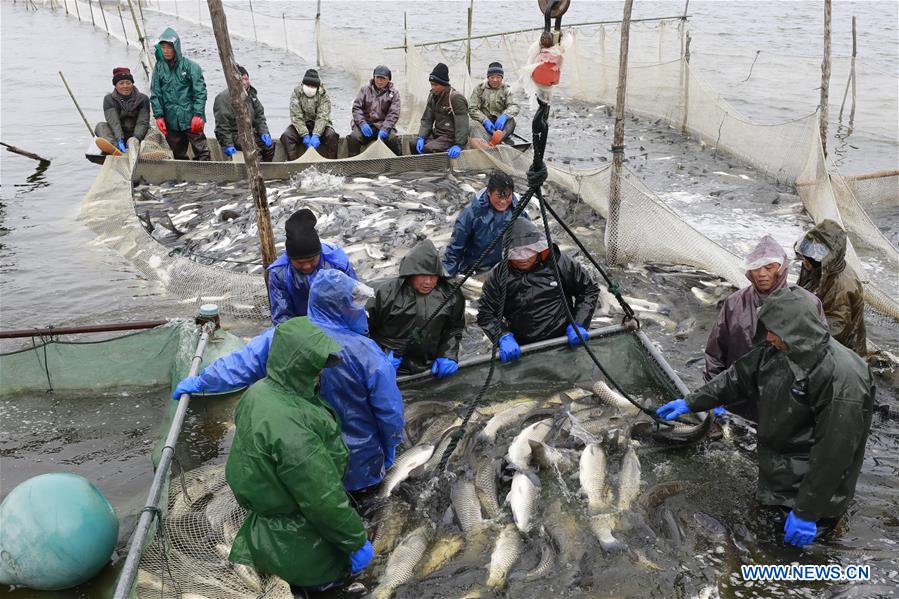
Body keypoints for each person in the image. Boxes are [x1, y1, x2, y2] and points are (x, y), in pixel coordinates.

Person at [656, 287, 874, 548]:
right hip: (779, 473)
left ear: (797, 329)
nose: (769, 337)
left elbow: (834, 455)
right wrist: (691, 402)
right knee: (761, 543)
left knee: (795, 565)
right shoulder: (777, 350)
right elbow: (736, 378)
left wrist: (808, 513)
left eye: (776, 331)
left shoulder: (843, 377)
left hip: (814, 490)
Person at [174, 271, 405, 494]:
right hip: (360, 465)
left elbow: (240, 365)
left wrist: (201, 382)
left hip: (302, 462)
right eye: (352, 304)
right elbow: (389, 410)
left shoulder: (286, 335)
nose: (359, 310)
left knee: (313, 500)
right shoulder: (368, 353)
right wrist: (391, 445)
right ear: (341, 306)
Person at [224, 317, 374, 591]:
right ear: (298, 364)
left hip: (265, 531)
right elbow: (321, 499)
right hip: (306, 550)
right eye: (315, 364)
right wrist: (355, 541)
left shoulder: (258, 392)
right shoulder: (293, 428)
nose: (320, 371)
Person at [703, 235, 827, 421]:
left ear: (782, 268)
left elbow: (822, 356)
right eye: (756, 268)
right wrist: (715, 396)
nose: (761, 274)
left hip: (787, 406)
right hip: (739, 402)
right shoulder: (734, 303)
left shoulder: (808, 304)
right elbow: (715, 354)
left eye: (769, 267)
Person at [477, 218, 599, 362]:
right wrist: (503, 336)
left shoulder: (559, 262)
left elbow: (588, 289)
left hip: (565, 341)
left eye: (528, 251)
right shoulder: (498, 275)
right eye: (515, 252)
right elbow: (486, 313)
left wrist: (579, 323)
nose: (522, 258)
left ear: (538, 248)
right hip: (522, 349)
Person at [368, 239, 465, 377]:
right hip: (388, 365)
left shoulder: (450, 293)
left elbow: (455, 328)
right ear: (411, 273)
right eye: (423, 275)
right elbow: (360, 331)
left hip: (429, 365)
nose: (428, 282)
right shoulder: (383, 293)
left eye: (433, 276)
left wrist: (448, 354)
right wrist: (379, 355)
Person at [267, 208, 357, 324]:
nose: (307, 266)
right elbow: (282, 316)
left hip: (337, 322)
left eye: (311, 260)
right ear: (290, 259)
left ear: (319, 253)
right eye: (300, 263)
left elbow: (355, 300)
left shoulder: (337, 263)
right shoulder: (278, 273)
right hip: (301, 326)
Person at [795, 219, 867, 356]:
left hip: (844, 352)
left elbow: (835, 329)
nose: (804, 260)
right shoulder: (816, 267)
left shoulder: (841, 286)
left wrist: (798, 338)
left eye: (809, 255)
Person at [442, 171, 528, 276]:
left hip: (506, 268)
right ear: (488, 192)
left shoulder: (518, 210)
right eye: (499, 196)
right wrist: (446, 276)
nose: (503, 201)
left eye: (507, 196)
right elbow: (455, 248)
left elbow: (529, 240)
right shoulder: (471, 213)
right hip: (476, 269)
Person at [150, 27, 210, 161]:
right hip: (171, 119)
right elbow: (155, 93)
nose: (166, 51)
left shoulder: (191, 67)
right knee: (178, 154)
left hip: (191, 117)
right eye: (163, 47)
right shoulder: (159, 68)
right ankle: (184, 179)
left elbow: (200, 92)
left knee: (202, 152)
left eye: (169, 47)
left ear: (176, 47)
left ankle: (206, 176)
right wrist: (159, 116)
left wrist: (198, 115)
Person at [213, 65, 275, 162]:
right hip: (235, 134)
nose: (246, 83)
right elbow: (222, 126)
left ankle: (266, 170)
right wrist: (228, 144)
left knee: (269, 147)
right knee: (254, 152)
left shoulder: (251, 94)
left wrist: (264, 132)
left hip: (250, 131)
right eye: (242, 79)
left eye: (247, 79)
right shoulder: (222, 99)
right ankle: (255, 174)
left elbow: (260, 117)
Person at [280, 68, 339, 160]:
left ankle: (332, 162)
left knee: (331, 135)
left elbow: (322, 117)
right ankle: (293, 164)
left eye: (313, 86)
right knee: (286, 136)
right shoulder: (296, 93)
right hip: (301, 126)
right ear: (303, 84)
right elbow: (296, 116)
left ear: (317, 86)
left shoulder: (323, 96)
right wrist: (304, 134)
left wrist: (316, 134)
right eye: (308, 85)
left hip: (320, 127)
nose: (310, 88)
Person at [415, 62, 469, 158]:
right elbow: (427, 119)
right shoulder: (432, 95)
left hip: (450, 137)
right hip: (438, 133)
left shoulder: (456, 98)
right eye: (431, 84)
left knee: (428, 149)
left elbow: (462, 124)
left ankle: (434, 168)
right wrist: (421, 136)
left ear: (444, 84)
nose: (433, 88)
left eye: (435, 85)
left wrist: (459, 145)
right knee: (412, 143)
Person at [347, 65, 402, 156]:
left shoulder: (394, 93)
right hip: (366, 125)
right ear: (373, 77)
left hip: (383, 127)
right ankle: (353, 164)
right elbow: (357, 108)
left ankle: (397, 162)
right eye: (377, 77)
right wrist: (362, 124)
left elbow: (393, 114)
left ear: (388, 80)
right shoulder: (364, 90)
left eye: (383, 78)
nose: (379, 81)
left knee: (394, 139)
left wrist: (385, 128)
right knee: (353, 138)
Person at [95, 67, 150, 154]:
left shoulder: (143, 98)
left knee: (153, 132)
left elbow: (142, 122)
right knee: (100, 126)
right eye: (121, 83)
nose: (125, 86)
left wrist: (135, 138)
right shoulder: (108, 99)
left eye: (128, 83)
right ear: (115, 85)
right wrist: (120, 139)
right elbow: (114, 122)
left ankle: (137, 148)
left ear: (132, 83)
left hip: (136, 134)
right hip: (118, 135)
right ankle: (116, 148)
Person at [468, 62, 520, 149]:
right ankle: (484, 142)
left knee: (511, 122)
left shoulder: (507, 89)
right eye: (492, 77)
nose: (495, 80)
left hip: (501, 126)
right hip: (484, 123)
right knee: (472, 124)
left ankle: (497, 139)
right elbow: (472, 108)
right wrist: (484, 120)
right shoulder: (479, 88)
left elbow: (514, 105)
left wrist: (505, 116)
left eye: (498, 77)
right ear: (488, 77)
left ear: (502, 78)